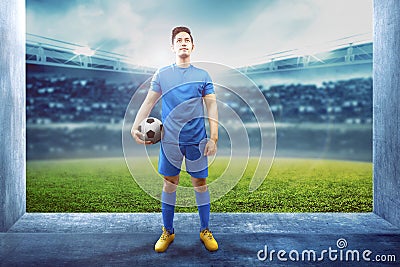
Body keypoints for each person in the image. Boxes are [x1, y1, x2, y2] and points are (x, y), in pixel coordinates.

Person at [131, 26, 219, 253]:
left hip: (197, 139)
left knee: (200, 183)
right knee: (170, 183)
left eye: (186, 40)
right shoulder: (162, 74)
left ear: (192, 46)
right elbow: (149, 102)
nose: (183, 43)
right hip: (170, 140)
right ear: (172, 47)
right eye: (178, 40)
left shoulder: (203, 76)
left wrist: (214, 137)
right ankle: (167, 232)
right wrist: (135, 125)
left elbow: (211, 105)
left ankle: (205, 230)